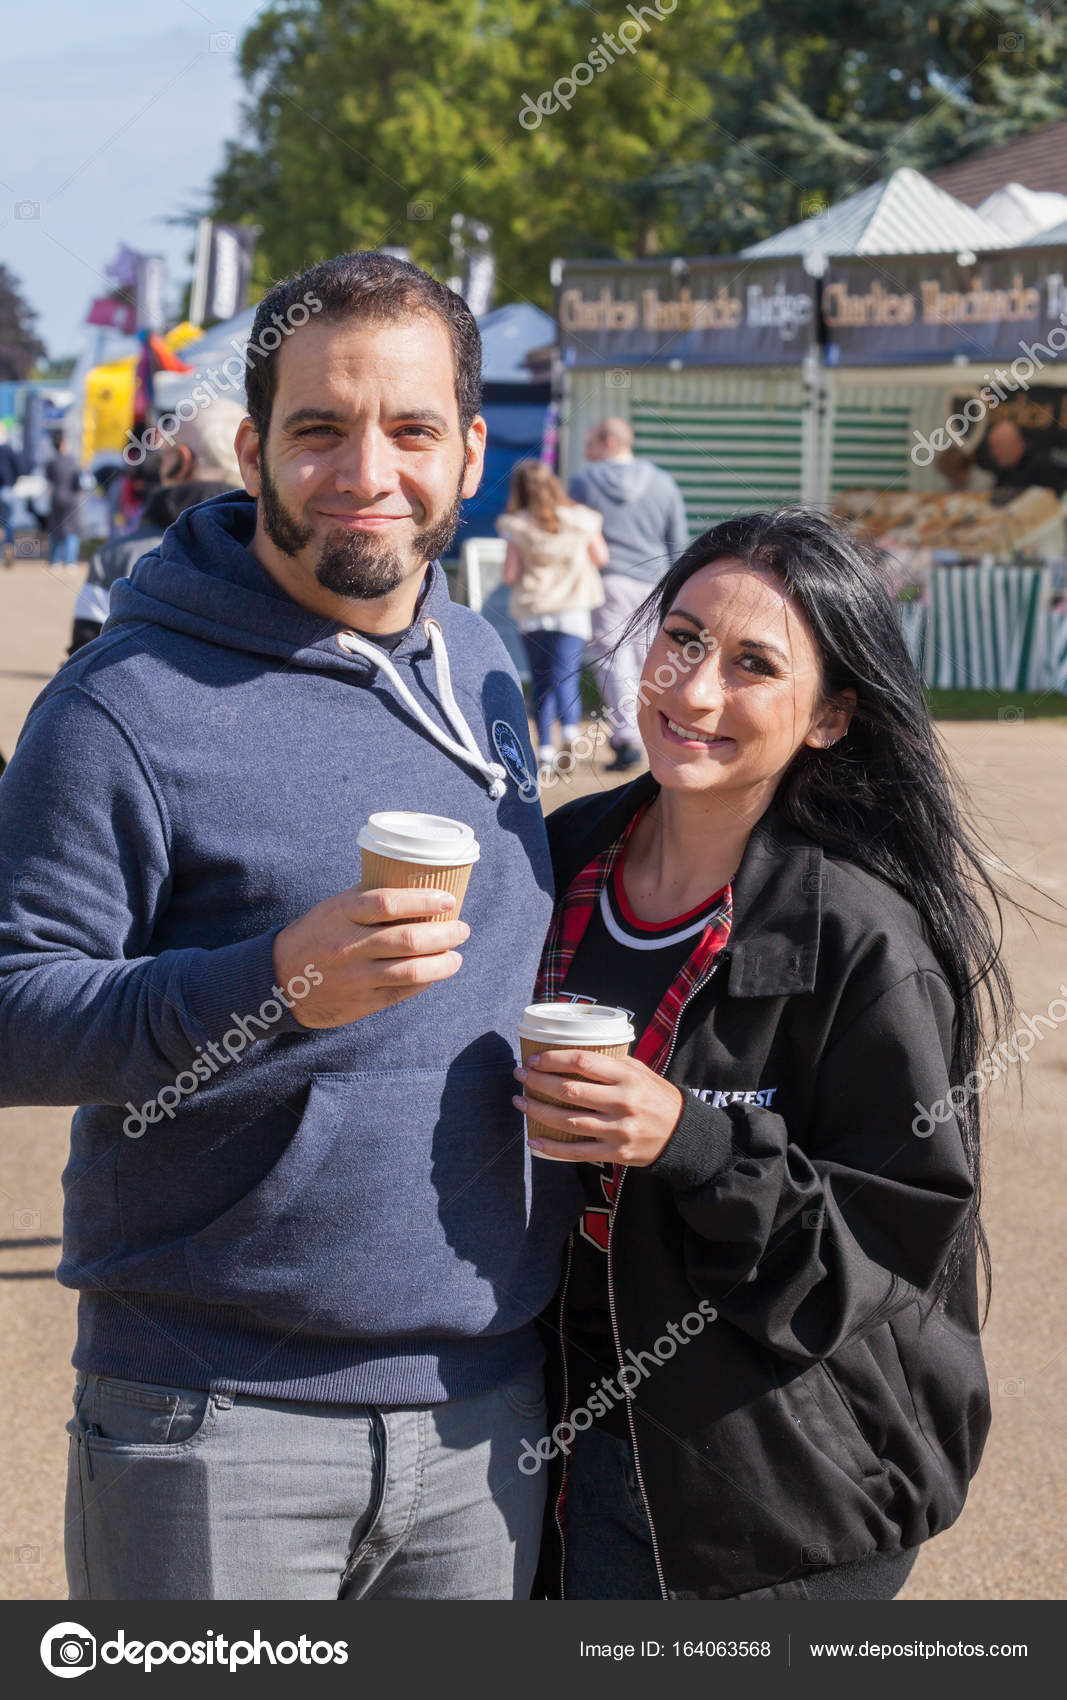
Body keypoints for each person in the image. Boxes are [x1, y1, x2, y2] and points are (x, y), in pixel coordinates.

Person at [0, 250, 580, 1601]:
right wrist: (271, 984)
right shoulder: (118, 706)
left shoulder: (482, 664)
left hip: (485, 1406)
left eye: (411, 429)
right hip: (212, 1422)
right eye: (319, 429)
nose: (365, 470)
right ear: (252, 447)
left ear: (471, 448)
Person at [515, 508, 1007, 1601]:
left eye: (751, 665)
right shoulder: (556, 860)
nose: (691, 692)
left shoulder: (862, 938)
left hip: (766, 1487)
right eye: (680, 638)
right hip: (547, 1446)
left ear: (829, 716)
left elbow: (883, 1260)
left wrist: (687, 1138)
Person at [68, 399, 246, 655]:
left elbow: (83, 659)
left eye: (165, 456)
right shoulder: (282, 549)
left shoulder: (118, 557)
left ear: (182, 461)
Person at [569, 417, 689, 774]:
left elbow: (571, 534)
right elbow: (677, 538)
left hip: (606, 581)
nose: (587, 454)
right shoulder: (664, 482)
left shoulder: (583, 482)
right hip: (655, 582)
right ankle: (651, 732)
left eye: (590, 445)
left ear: (608, 443)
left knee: (612, 661)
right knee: (647, 659)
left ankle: (627, 738)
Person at [496, 460, 607, 778]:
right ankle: (571, 731)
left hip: (534, 610)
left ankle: (544, 751)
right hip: (572, 610)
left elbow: (510, 573)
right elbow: (601, 557)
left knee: (542, 680)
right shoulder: (582, 521)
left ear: (520, 490)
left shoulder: (517, 525)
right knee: (566, 675)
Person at [44, 431, 83, 566]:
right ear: (63, 444)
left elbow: (48, 479)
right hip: (72, 498)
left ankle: (54, 560)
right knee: (72, 530)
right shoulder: (73, 461)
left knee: (55, 529)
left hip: (56, 497)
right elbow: (79, 481)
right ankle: (70, 561)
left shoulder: (51, 462)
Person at [0, 423, 21, 566]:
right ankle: (9, 545)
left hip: (5, 486)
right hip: (7, 487)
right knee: (7, 521)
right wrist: (12, 482)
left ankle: (7, 549)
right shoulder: (9, 449)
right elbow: (19, 467)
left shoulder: (8, 449)